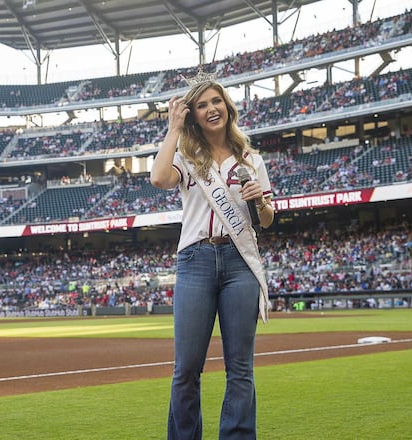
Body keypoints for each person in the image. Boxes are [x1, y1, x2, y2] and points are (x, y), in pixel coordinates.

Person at [150, 73, 274, 439]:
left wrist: (259, 202)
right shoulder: (188, 158)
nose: (211, 109)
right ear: (194, 116)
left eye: (216, 101)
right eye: (201, 106)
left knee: (240, 368)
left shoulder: (252, 159)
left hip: (240, 264)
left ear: (227, 106)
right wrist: (173, 128)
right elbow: (158, 178)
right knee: (186, 367)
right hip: (195, 262)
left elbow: (267, 221)